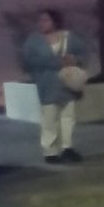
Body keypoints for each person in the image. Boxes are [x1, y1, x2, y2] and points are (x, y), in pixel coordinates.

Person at [21, 9, 89, 164]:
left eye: (46, 20)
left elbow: (83, 53)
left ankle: (67, 148)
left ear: (55, 21)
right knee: (49, 119)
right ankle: (50, 151)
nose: (42, 23)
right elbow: (28, 62)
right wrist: (57, 63)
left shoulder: (68, 37)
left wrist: (74, 60)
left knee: (68, 117)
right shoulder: (34, 40)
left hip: (67, 83)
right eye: (40, 20)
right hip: (47, 84)